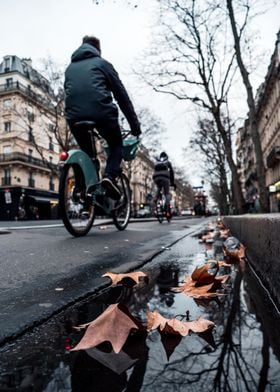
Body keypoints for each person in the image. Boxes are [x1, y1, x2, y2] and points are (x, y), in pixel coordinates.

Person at [64, 35, 141, 199]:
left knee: (88, 153)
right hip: (101, 113)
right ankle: (109, 177)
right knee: (116, 145)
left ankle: (82, 189)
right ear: (98, 50)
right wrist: (135, 126)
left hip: (74, 117)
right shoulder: (103, 64)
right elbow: (122, 97)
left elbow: (69, 94)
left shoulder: (69, 69)